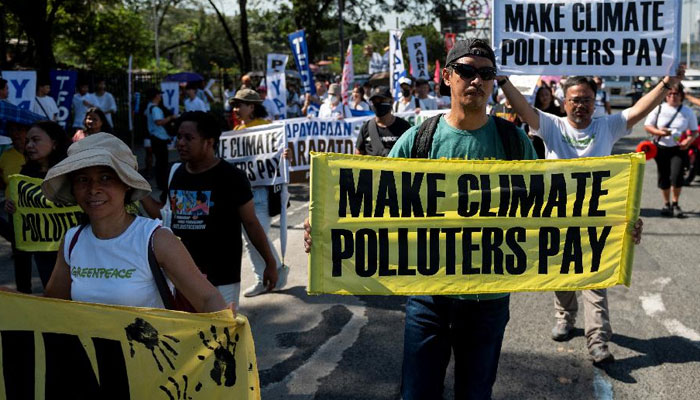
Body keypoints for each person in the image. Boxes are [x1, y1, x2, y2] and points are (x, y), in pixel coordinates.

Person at [306, 39, 539, 399]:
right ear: (447, 77)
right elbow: (373, 201)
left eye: (486, 73)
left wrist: (615, 226)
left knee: (475, 394)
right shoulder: (418, 140)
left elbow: (550, 209)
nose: (475, 80)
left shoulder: (513, 142)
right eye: (465, 71)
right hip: (428, 299)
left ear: (494, 82)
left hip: (488, 300)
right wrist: (324, 227)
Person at [502, 67, 678, 364]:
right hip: (558, 219)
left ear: (595, 102)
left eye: (586, 99)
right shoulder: (552, 126)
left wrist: (665, 84)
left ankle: (598, 340)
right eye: (574, 100)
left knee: (595, 279)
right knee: (561, 275)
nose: (580, 105)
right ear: (565, 101)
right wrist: (504, 81)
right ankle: (565, 317)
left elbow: (638, 109)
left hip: (598, 221)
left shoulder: (607, 126)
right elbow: (523, 109)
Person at [22, 132, 228, 312]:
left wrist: (228, 323)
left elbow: (207, 299)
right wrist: (8, 297)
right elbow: (53, 305)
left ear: (126, 184)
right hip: (89, 357)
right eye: (83, 179)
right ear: (73, 188)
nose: (93, 189)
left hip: (150, 357)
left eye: (105, 178)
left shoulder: (156, 239)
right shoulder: (72, 240)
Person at [140, 112, 280, 306]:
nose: (180, 143)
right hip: (179, 277)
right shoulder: (175, 173)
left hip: (221, 279)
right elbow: (163, 217)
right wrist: (138, 191)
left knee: (220, 335)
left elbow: (251, 223)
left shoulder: (232, 177)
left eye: (189, 138)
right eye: (179, 137)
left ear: (209, 142)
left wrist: (270, 263)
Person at [5, 121, 70, 293]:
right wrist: (12, 207)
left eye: (35, 140)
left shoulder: (71, 172)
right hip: (44, 250)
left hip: (73, 249)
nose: (29, 146)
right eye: (27, 141)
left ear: (54, 143)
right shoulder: (24, 175)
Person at [643, 82, 698, 217]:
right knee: (663, 176)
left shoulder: (687, 112)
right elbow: (647, 126)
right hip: (661, 148)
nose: (673, 96)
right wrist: (659, 132)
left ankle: (675, 203)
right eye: (670, 93)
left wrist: (688, 141)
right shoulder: (659, 109)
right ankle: (666, 204)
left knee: (677, 176)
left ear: (681, 95)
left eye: (676, 93)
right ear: (666, 96)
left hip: (679, 149)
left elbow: (694, 131)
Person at [355, 86, 411, 156]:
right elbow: (358, 155)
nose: (378, 104)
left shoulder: (404, 127)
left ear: (391, 101)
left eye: (381, 100)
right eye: (374, 101)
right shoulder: (366, 128)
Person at [145, 88, 178, 191]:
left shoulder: (148, 107)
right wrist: (171, 117)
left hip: (155, 137)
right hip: (159, 138)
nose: (161, 96)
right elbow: (158, 122)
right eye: (159, 94)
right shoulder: (155, 108)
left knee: (160, 162)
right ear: (156, 96)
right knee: (162, 163)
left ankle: (161, 183)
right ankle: (163, 184)